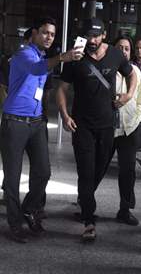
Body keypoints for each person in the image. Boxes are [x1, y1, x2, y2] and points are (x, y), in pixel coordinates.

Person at [0, 17, 83, 243]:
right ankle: (15, 224)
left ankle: (28, 208)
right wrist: (62, 57)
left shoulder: (42, 57)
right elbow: (37, 69)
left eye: (52, 34)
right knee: (12, 178)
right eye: (45, 33)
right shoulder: (25, 54)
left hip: (36, 123)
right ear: (35, 33)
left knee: (43, 172)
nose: (49, 37)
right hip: (14, 122)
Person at [56, 17, 137, 241]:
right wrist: (64, 114)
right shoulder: (75, 57)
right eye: (88, 36)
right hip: (82, 125)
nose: (91, 40)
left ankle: (85, 200)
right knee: (85, 171)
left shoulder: (115, 54)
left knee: (98, 169)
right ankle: (89, 220)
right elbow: (61, 89)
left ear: (103, 35)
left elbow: (131, 74)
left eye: (96, 36)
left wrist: (128, 95)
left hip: (107, 125)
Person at [113, 35, 141, 225]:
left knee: (128, 171)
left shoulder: (136, 72)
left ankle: (125, 210)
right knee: (96, 168)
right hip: (108, 128)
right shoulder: (107, 69)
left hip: (129, 128)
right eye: (120, 47)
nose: (123, 51)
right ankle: (85, 204)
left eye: (126, 48)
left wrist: (139, 116)